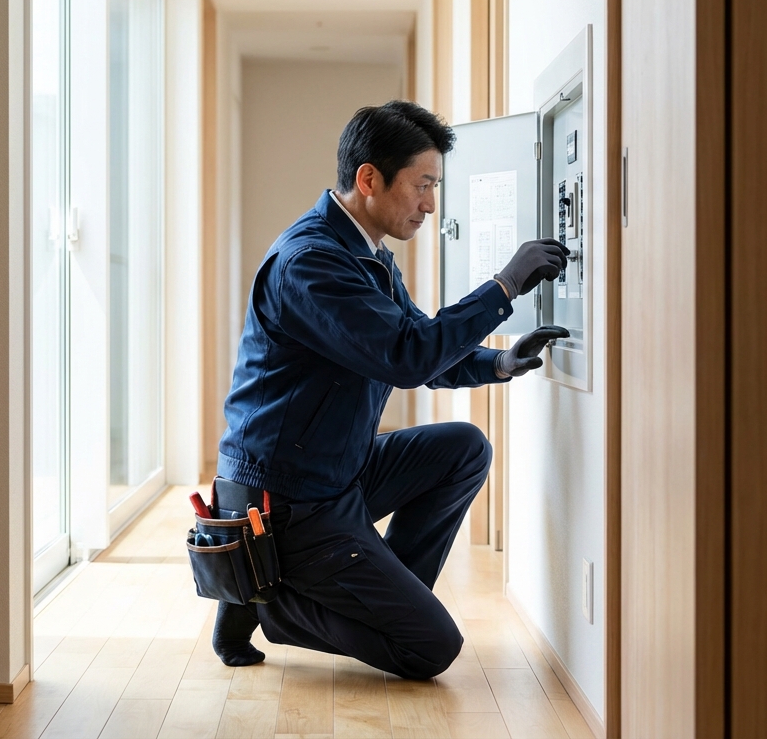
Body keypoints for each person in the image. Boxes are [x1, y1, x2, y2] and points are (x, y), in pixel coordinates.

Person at [210, 100, 569, 680]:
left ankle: (371, 593)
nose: (431, 203)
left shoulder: (366, 253)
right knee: (429, 650)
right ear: (369, 179)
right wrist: (505, 285)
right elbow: (407, 357)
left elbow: (420, 347)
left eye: (436, 185)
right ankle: (266, 600)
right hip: (284, 499)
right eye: (423, 184)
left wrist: (500, 361)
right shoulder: (311, 264)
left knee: (463, 449)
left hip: (333, 472)